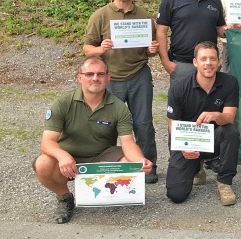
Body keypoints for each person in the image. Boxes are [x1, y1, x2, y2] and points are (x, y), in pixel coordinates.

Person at [33, 56, 153, 224]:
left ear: (108, 77)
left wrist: (140, 161)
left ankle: (111, 195)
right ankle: (64, 198)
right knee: (43, 163)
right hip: (69, 157)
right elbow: (47, 142)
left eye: (100, 74)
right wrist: (62, 156)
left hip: (102, 156)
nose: (95, 78)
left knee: (130, 163)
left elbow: (128, 143)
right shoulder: (62, 103)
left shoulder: (119, 107)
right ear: (79, 77)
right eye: (89, 74)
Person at [82, 0, 159, 184]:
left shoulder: (144, 17)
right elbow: (87, 48)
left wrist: (152, 49)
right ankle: (107, 166)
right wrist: (100, 49)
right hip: (111, 78)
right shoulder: (100, 16)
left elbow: (149, 50)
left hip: (138, 75)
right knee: (105, 125)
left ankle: (148, 166)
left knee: (143, 124)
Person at [165, 41, 241, 206]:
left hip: (214, 139)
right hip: (188, 142)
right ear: (195, 62)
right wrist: (184, 147)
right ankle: (196, 168)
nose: (208, 63)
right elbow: (173, 124)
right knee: (176, 195)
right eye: (203, 59)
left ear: (219, 62)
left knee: (231, 131)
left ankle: (224, 182)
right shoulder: (178, 88)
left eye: (213, 59)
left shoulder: (230, 83)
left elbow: (229, 118)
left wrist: (217, 115)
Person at [156, 0, 227, 87]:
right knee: (181, 100)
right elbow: (161, 32)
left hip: (208, 64)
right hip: (182, 65)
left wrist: (228, 30)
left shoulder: (215, 1)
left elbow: (219, 29)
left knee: (210, 99)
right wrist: (166, 62)